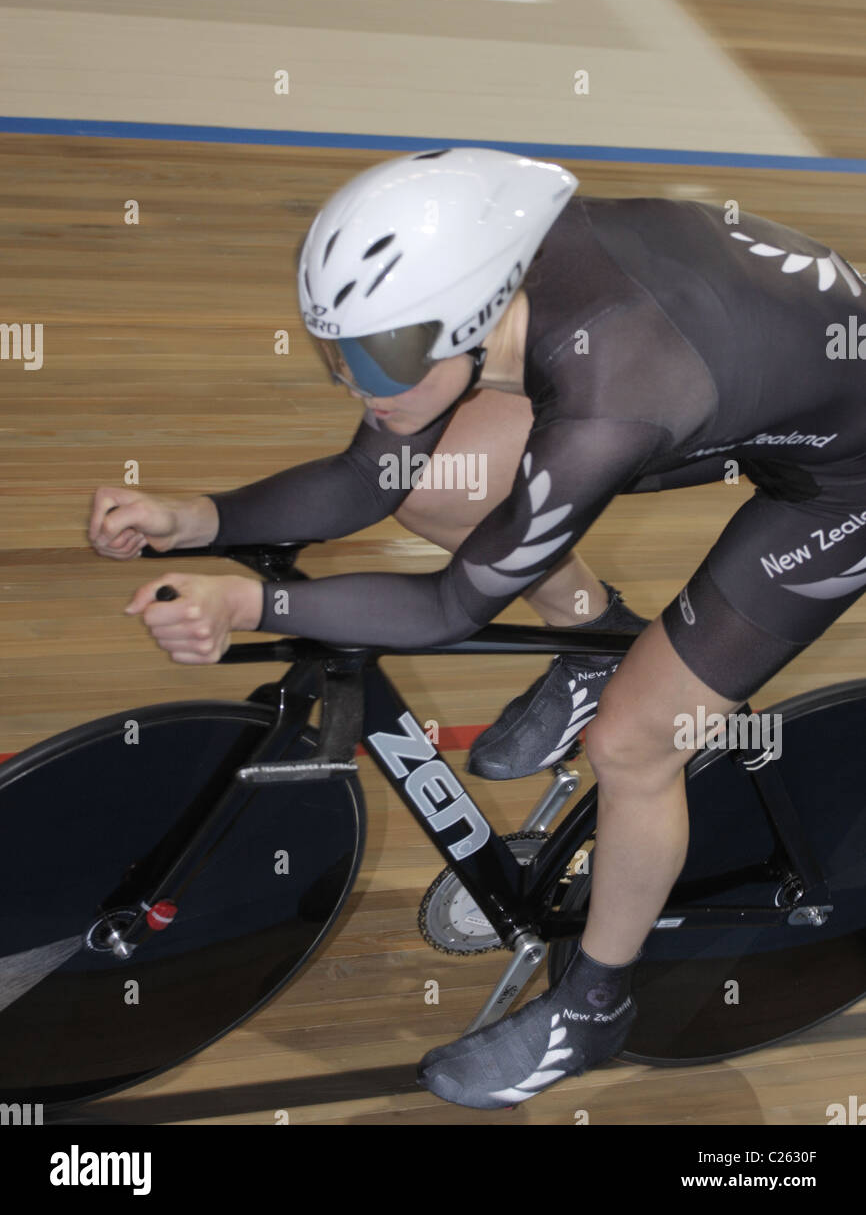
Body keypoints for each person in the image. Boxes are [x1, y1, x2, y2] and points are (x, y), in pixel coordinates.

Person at [89, 146, 866, 1111]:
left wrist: (252, 605)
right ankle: (594, 637)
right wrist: (192, 518)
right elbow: (366, 479)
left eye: (377, 358)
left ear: (468, 319)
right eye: (338, 353)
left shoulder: (614, 398)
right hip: (744, 372)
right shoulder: (475, 290)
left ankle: (592, 1006)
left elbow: (450, 606)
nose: (359, 388)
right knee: (431, 482)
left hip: (837, 479)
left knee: (634, 742)